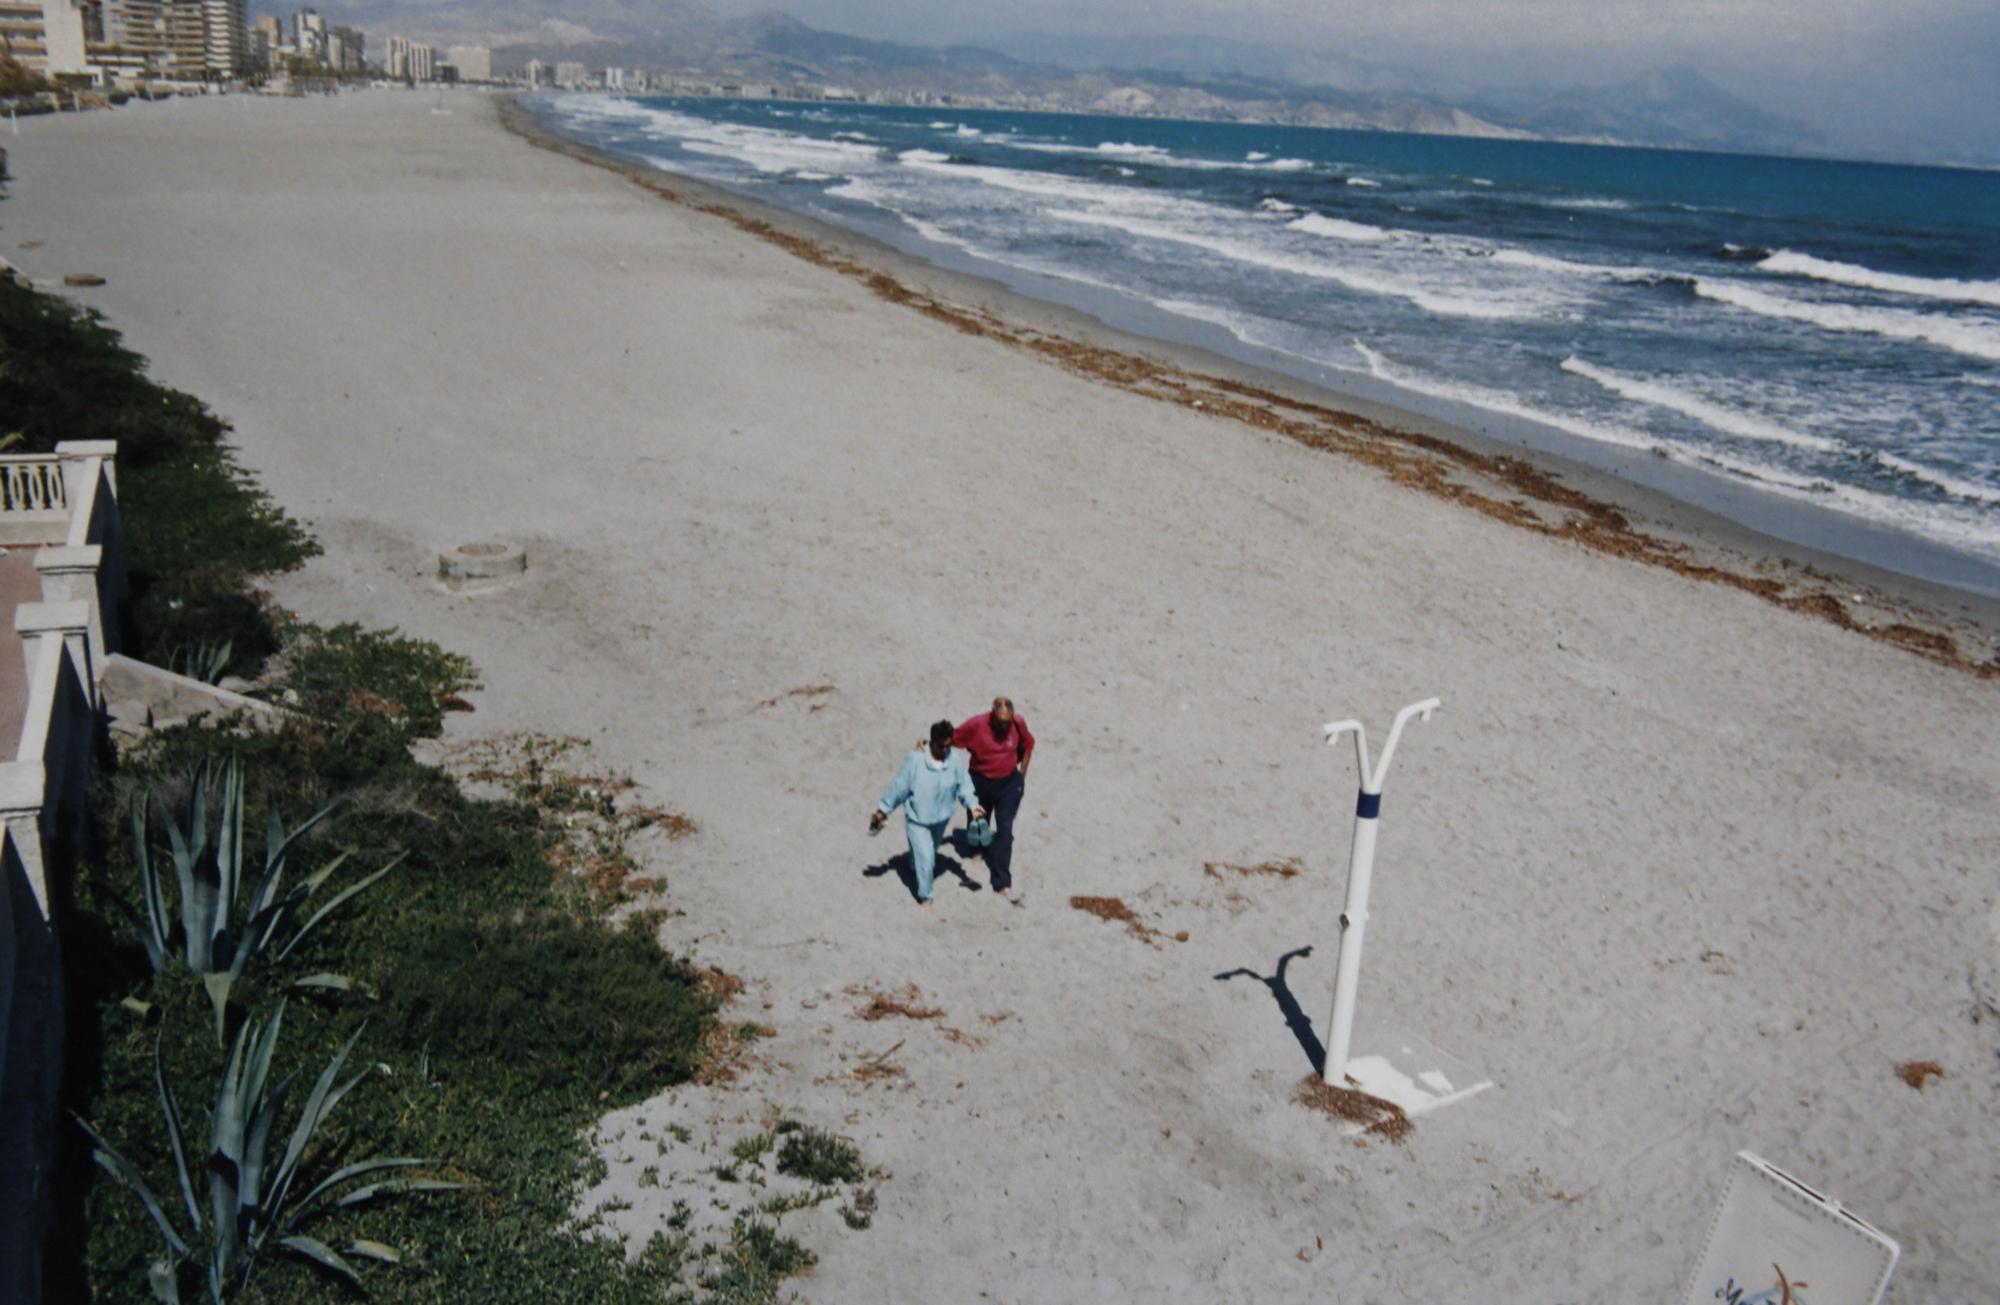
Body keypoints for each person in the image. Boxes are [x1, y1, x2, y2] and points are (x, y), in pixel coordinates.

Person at [870, 720, 984, 911]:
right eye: (942, 746)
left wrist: (973, 804)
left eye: (949, 746)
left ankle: (913, 865)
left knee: (924, 855)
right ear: (932, 742)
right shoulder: (915, 760)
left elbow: (964, 784)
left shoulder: (954, 759)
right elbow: (899, 787)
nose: (946, 750)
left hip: (941, 818)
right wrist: (884, 809)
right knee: (927, 857)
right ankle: (926, 897)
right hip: (918, 820)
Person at [953, 696, 1035, 904]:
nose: (1004, 725)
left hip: (1008, 784)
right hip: (979, 780)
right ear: (992, 716)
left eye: (1007, 722)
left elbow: (1028, 744)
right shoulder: (977, 725)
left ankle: (1002, 882)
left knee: (1005, 830)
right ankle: (978, 849)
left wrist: (1021, 777)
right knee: (979, 820)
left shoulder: (1018, 724)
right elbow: (952, 739)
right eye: (1000, 722)